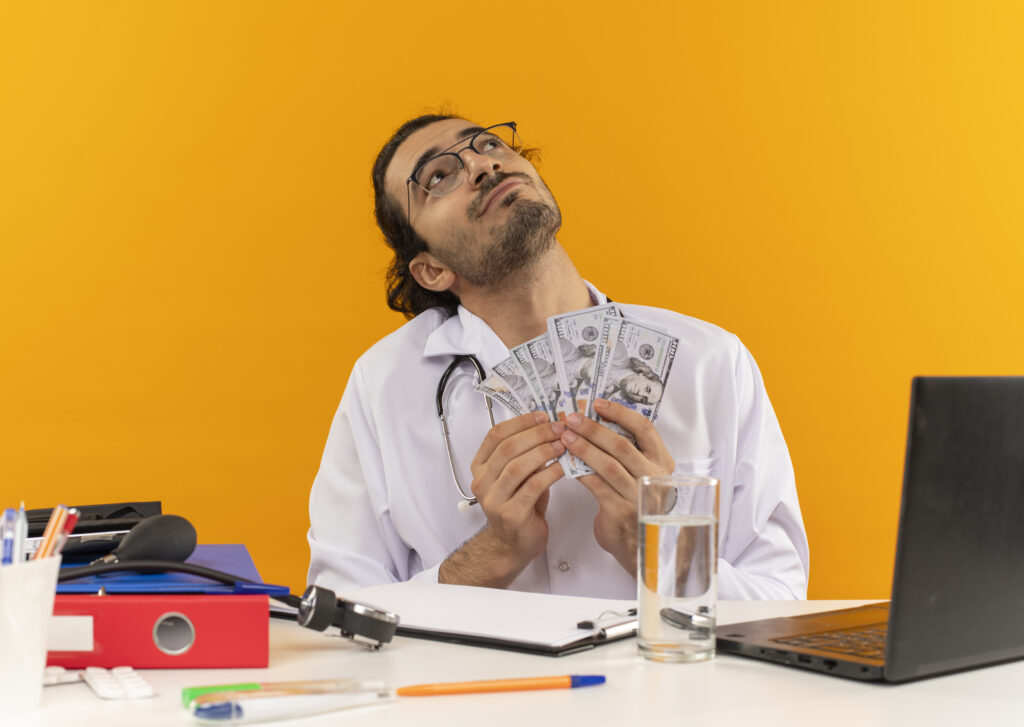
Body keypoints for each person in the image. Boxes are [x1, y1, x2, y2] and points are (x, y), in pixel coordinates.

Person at [307, 115, 809, 599]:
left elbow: (780, 601)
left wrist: (656, 546)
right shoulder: (383, 385)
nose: (484, 166)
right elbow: (341, 616)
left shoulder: (711, 362)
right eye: (439, 177)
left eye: (487, 144)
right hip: (483, 688)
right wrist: (492, 554)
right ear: (432, 270)